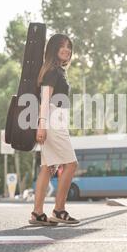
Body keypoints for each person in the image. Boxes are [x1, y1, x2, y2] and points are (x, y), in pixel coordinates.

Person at [29, 34, 80, 226]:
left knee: (48, 167)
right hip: (52, 120)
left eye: (69, 47)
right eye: (62, 46)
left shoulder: (57, 70)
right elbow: (45, 98)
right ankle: (59, 210)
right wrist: (42, 124)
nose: (67, 49)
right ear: (53, 49)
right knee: (71, 164)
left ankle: (37, 213)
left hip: (55, 119)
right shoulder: (52, 71)